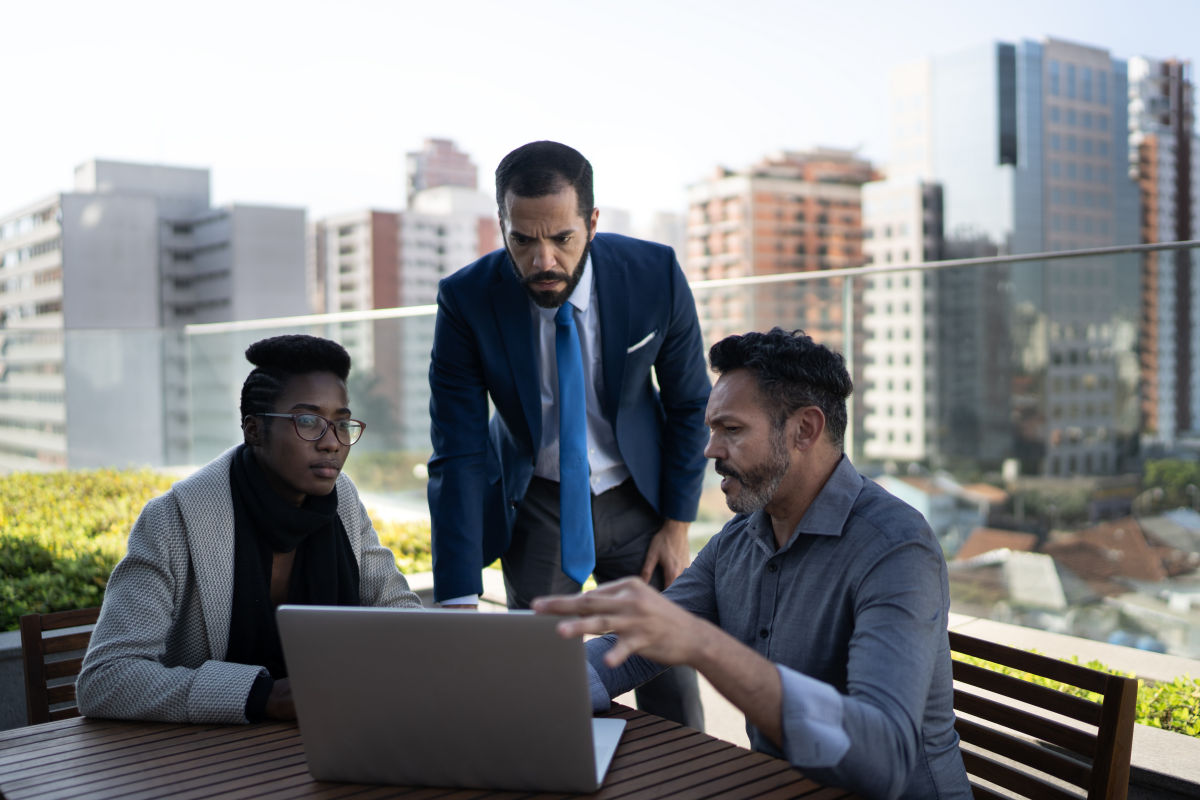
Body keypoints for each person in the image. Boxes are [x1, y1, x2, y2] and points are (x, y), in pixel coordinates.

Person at [533, 329, 972, 800]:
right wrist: (530, 685)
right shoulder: (739, 540)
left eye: (732, 430)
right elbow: (637, 644)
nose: (711, 450)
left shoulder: (896, 548)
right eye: (711, 430)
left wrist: (703, 644)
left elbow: (880, 759)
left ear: (805, 429)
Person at [427, 140, 709, 727]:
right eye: (523, 240)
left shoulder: (654, 274)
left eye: (562, 239)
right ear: (502, 224)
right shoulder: (465, 299)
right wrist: (456, 597)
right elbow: (458, 451)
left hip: (640, 500)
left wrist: (677, 527)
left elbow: (690, 404)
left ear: (593, 222)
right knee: (539, 682)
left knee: (669, 680)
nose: (543, 261)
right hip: (538, 503)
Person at [78, 334, 420, 724]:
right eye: (308, 421)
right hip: (208, 762)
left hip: (328, 735)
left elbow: (401, 617)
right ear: (254, 430)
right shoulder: (173, 520)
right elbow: (106, 677)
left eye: (341, 425)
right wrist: (261, 695)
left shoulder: (341, 501)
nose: (332, 444)